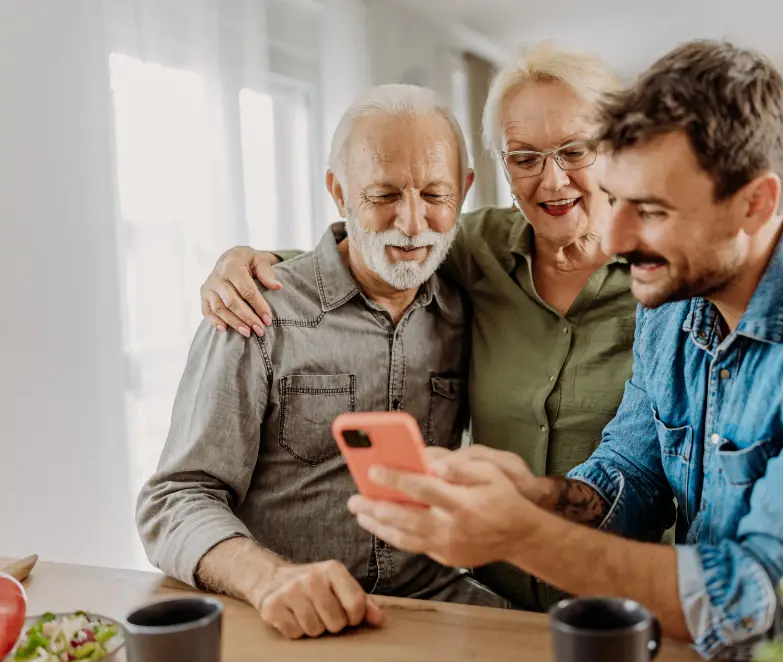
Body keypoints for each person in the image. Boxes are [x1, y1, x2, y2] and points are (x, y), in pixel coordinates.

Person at [343, 41, 783, 662]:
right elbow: (633, 467)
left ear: (754, 203)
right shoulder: (676, 300)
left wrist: (520, 533)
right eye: (619, 199)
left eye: (649, 210)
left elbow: (770, 599)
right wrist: (538, 495)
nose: (618, 237)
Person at [192, 43, 635, 610]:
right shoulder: (480, 252)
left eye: (574, 151)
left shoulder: (667, 281)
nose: (552, 182)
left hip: (618, 599)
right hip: (489, 601)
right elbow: (374, 258)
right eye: (524, 157)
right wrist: (251, 262)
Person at [136, 84, 508, 642]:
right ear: (339, 192)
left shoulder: (464, 310)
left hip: (429, 603)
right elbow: (175, 500)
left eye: (435, 193)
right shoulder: (256, 310)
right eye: (383, 194)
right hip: (283, 613)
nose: (412, 222)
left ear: (465, 191)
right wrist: (269, 579)